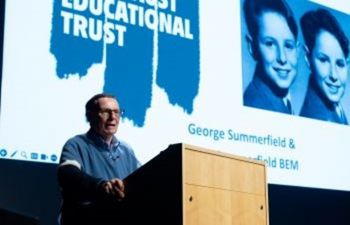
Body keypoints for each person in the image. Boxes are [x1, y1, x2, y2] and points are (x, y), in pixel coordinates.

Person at [57, 93, 141, 225]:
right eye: (106, 112)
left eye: (117, 112)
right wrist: (102, 186)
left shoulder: (126, 151)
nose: (113, 117)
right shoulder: (76, 144)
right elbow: (67, 175)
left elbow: (142, 182)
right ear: (90, 116)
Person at [243, 0, 299, 114]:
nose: (282, 58)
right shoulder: (255, 105)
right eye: (270, 44)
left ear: (297, 50)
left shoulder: (279, 102)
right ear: (252, 47)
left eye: (288, 46)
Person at [299, 9, 349, 124]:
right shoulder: (317, 119)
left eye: (340, 64)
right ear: (308, 58)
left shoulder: (333, 106)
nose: (334, 75)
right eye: (323, 60)